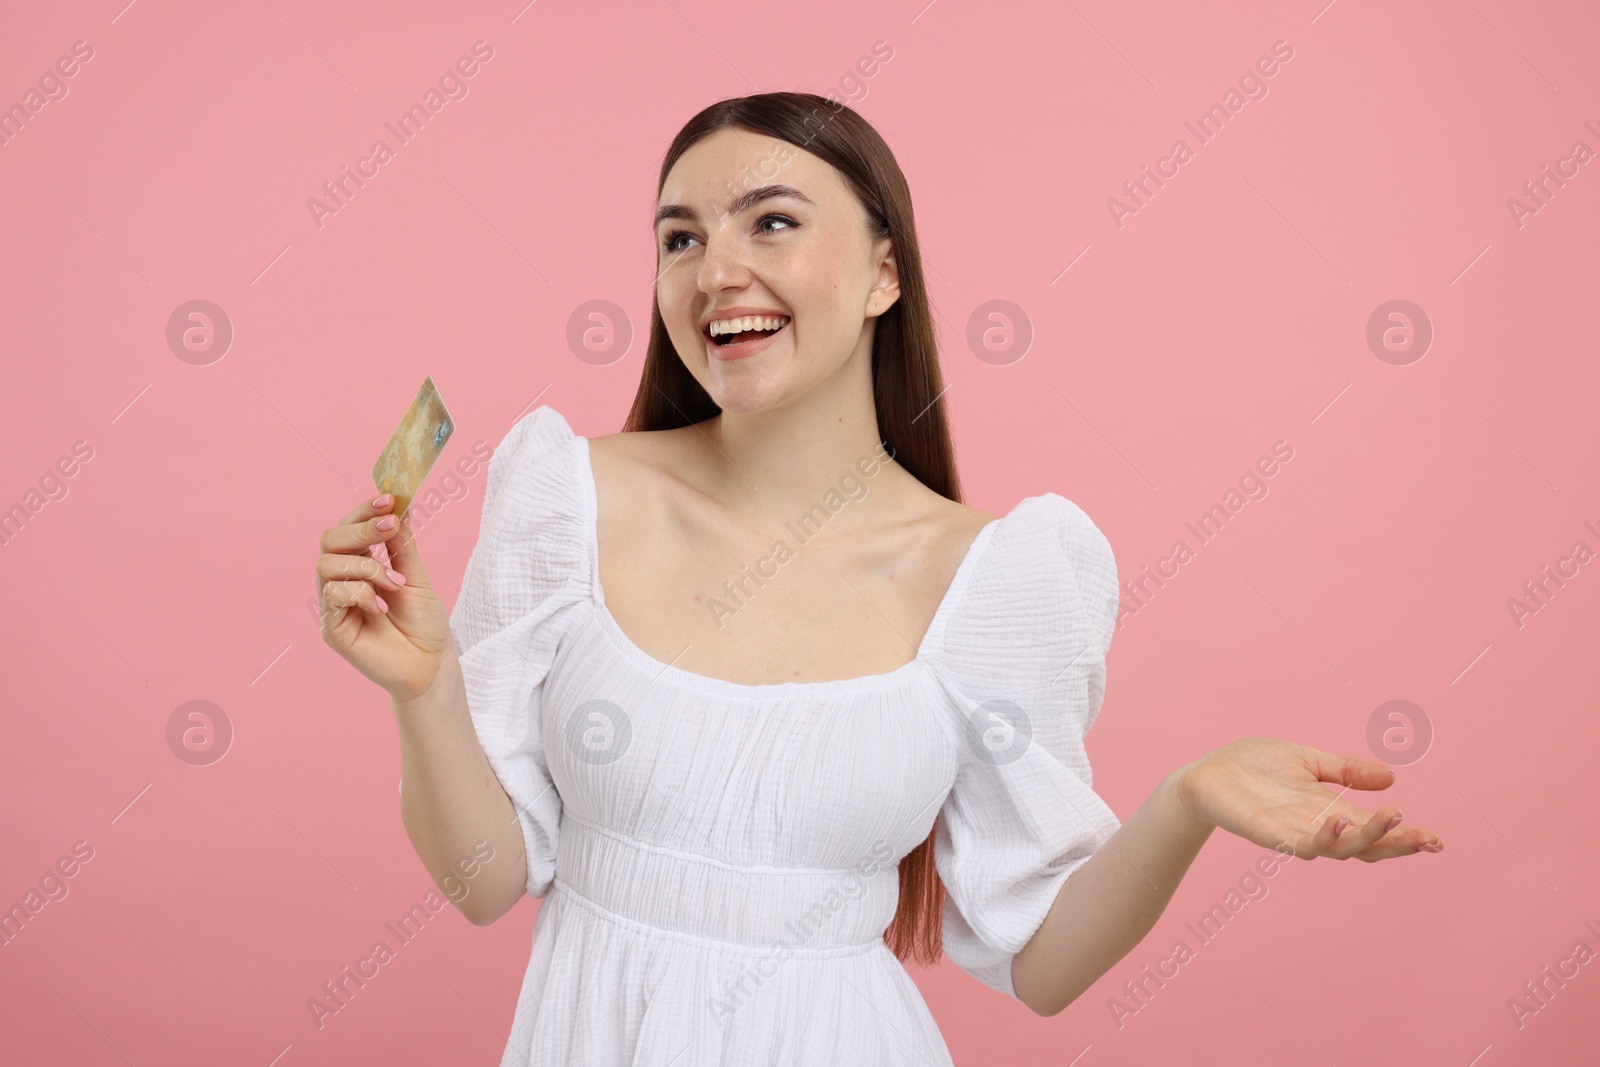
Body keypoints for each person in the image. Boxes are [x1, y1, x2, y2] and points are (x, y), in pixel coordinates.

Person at [314, 92, 1442, 1065]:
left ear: (883, 272)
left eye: (772, 223)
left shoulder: (997, 577)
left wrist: (1185, 800)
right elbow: (481, 879)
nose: (717, 271)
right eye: (679, 238)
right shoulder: (564, 493)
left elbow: (1040, 964)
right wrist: (426, 690)